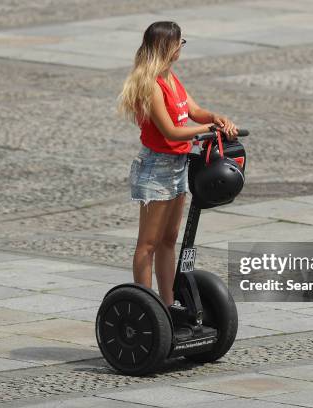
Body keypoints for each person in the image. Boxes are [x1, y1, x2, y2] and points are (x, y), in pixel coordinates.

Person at [117, 21, 238, 306]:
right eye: (180, 43)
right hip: (156, 167)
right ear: (167, 46)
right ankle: (147, 307)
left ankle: (168, 306)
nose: (181, 47)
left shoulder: (170, 77)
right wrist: (205, 131)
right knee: (148, 244)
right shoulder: (150, 85)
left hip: (178, 164)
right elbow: (170, 131)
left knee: (169, 240)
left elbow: (193, 111)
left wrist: (215, 118)